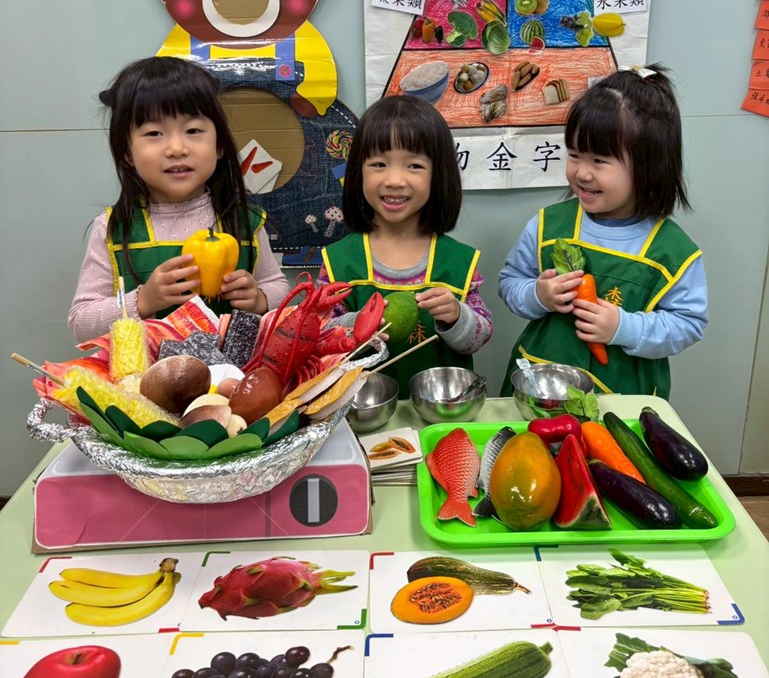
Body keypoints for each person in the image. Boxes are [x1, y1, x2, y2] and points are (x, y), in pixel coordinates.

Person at [498, 65, 707, 399]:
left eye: (599, 161)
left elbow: (688, 324)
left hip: (622, 399)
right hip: (540, 387)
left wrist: (624, 327)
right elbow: (510, 282)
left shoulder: (673, 252)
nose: (582, 173)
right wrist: (538, 295)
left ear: (649, 165)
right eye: (575, 155)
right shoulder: (548, 225)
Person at [68, 56, 289, 341]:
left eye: (193, 131)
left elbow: (278, 286)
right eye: (154, 133)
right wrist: (142, 301)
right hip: (144, 370)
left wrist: (260, 298)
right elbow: (81, 322)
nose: (176, 148)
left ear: (219, 145)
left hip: (234, 368)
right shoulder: (112, 227)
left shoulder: (246, 221)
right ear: (126, 152)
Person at [318, 94, 493, 398]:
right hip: (358, 412)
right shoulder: (338, 261)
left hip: (441, 412)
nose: (395, 180)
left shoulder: (458, 261)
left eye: (414, 165)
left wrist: (456, 315)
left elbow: (479, 336)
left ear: (438, 175)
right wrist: (357, 323)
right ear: (358, 172)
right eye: (379, 164)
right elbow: (318, 335)